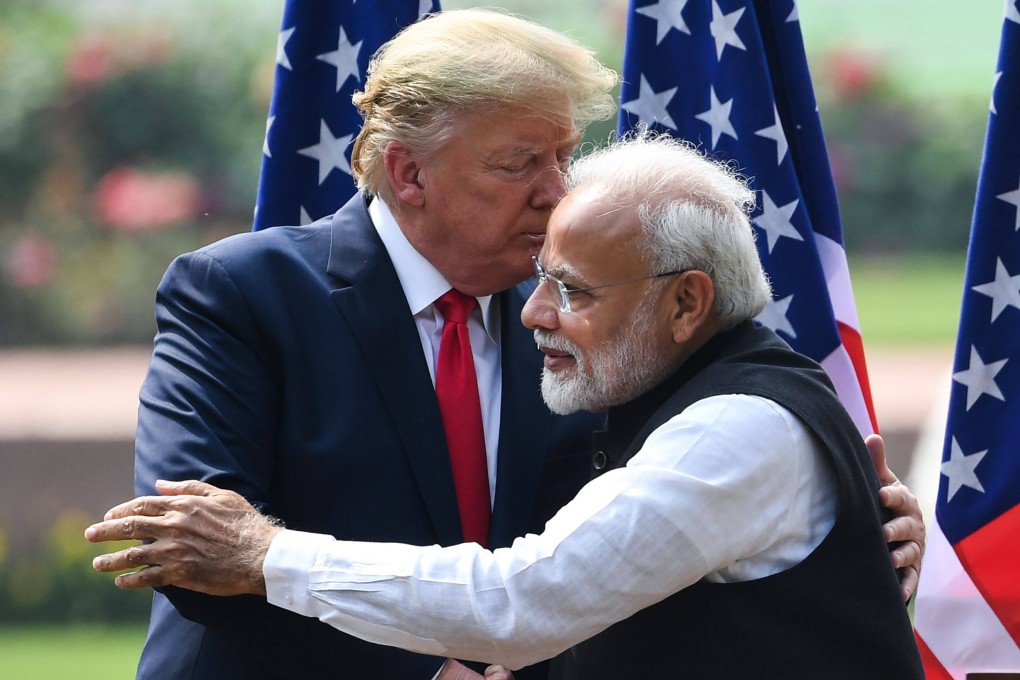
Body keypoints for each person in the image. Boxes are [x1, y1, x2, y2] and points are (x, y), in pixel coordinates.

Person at [89, 134, 925, 679]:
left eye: (573, 290)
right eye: (542, 276)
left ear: (685, 304)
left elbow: (518, 601)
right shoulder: (658, 388)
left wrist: (265, 554)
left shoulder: (734, 431)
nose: (531, 311)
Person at [123, 9, 614, 680]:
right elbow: (190, 548)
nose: (558, 194)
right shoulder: (240, 295)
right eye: (520, 163)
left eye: (564, 157)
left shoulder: (568, 314)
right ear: (409, 174)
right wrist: (430, 674)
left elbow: (593, 552)